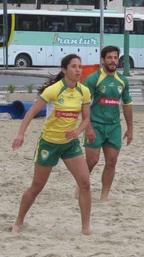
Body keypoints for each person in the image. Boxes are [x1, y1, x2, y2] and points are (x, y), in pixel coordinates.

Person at [11, 54, 93, 235]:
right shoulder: (53, 90)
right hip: (49, 143)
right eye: (73, 66)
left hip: (70, 144)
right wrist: (20, 134)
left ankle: (86, 227)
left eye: (80, 66)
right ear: (64, 70)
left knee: (85, 183)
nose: (78, 70)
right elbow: (31, 112)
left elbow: (86, 119)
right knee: (37, 186)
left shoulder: (84, 91)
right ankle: (19, 220)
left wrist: (78, 131)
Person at [83, 45, 134, 202]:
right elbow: (84, 105)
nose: (113, 61)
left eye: (115, 57)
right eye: (110, 57)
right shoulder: (93, 79)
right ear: (103, 60)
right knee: (92, 161)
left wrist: (130, 129)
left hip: (114, 127)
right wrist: (88, 127)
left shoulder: (122, 80)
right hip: (95, 125)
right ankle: (81, 185)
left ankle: (104, 195)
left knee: (111, 162)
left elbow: (127, 105)